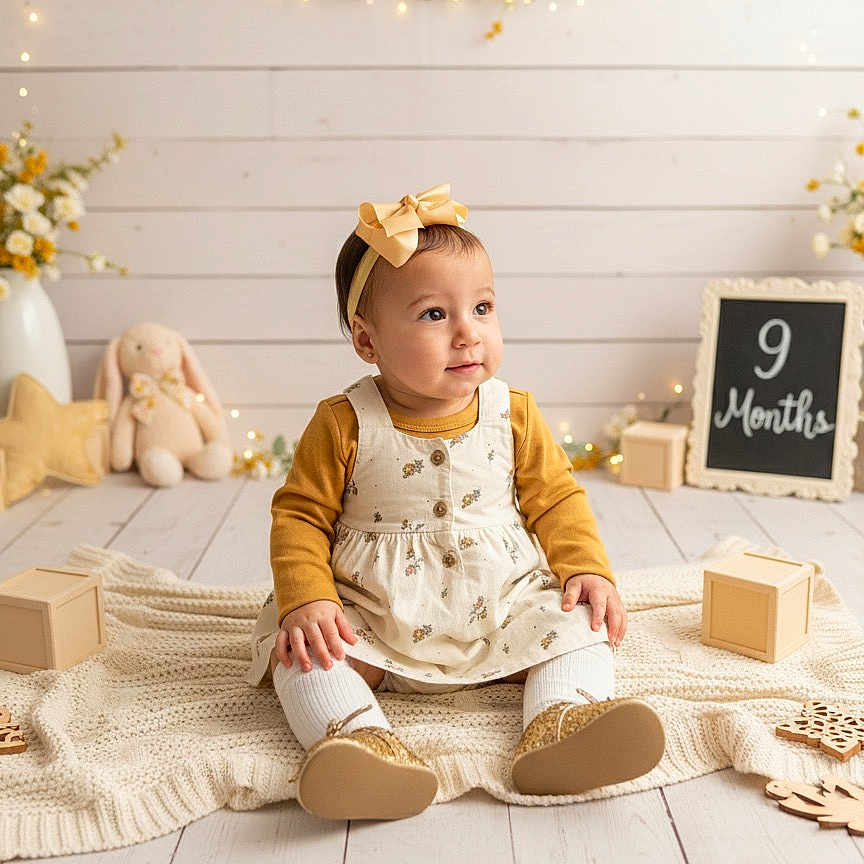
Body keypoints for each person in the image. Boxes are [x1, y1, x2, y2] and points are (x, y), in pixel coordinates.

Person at [245, 182, 665, 821]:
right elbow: (301, 516)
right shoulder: (343, 422)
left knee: (580, 624)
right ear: (367, 341)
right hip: (374, 608)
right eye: (435, 315)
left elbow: (556, 500)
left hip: (500, 602)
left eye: (484, 307)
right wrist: (310, 599)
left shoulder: (512, 412)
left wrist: (587, 569)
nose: (468, 334)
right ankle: (356, 739)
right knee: (305, 651)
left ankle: (562, 721)